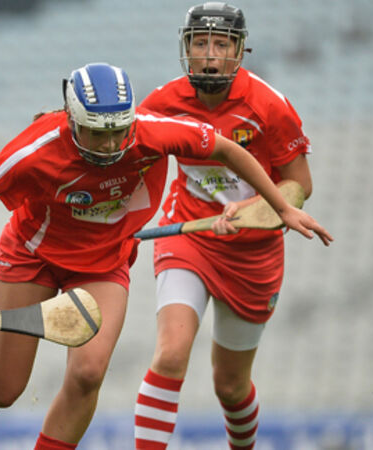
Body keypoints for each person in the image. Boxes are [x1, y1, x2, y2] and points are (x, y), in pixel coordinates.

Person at [0, 62, 331, 450]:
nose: (109, 145)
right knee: (5, 389)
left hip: (103, 264)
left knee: (88, 374)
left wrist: (281, 207)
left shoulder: (151, 132)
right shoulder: (35, 148)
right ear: (73, 121)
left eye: (118, 132)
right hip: (33, 258)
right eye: (97, 133)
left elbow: (225, 148)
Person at [132, 3, 329, 449]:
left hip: (254, 253)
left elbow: (299, 185)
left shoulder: (269, 106)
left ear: (239, 52)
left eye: (221, 44)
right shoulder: (160, 104)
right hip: (189, 236)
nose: (210, 55)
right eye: (200, 43)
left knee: (230, 386)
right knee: (170, 355)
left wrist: (251, 212)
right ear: (186, 48)